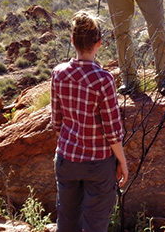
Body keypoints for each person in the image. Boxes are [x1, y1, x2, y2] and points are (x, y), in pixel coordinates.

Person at [51, 12, 129, 232]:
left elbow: (56, 123)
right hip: (98, 163)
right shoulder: (104, 80)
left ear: (73, 41)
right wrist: (121, 162)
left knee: (66, 220)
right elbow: (112, 130)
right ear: (99, 43)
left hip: (66, 158)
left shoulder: (58, 73)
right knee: (95, 225)